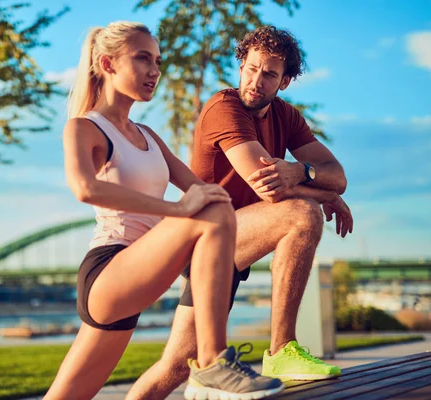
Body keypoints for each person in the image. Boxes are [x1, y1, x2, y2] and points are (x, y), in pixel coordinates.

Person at [43, 21, 284, 400]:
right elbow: (85, 189)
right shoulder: (85, 129)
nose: (155, 70)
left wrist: (313, 192)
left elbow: (204, 191)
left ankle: (210, 364)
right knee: (212, 213)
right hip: (109, 272)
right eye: (142, 59)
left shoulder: (149, 137)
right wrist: (174, 209)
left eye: (158, 60)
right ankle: (211, 364)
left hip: (140, 275)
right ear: (107, 64)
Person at [128, 25, 354, 399]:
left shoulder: (287, 116)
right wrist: (323, 195)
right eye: (251, 68)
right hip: (201, 238)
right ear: (240, 66)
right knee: (303, 213)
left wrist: (303, 172)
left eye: (269, 74)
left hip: (232, 245)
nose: (256, 81)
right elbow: (264, 183)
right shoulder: (224, 106)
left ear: (284, 81)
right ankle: (281, 351)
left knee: (178, 364)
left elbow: (338, 175)